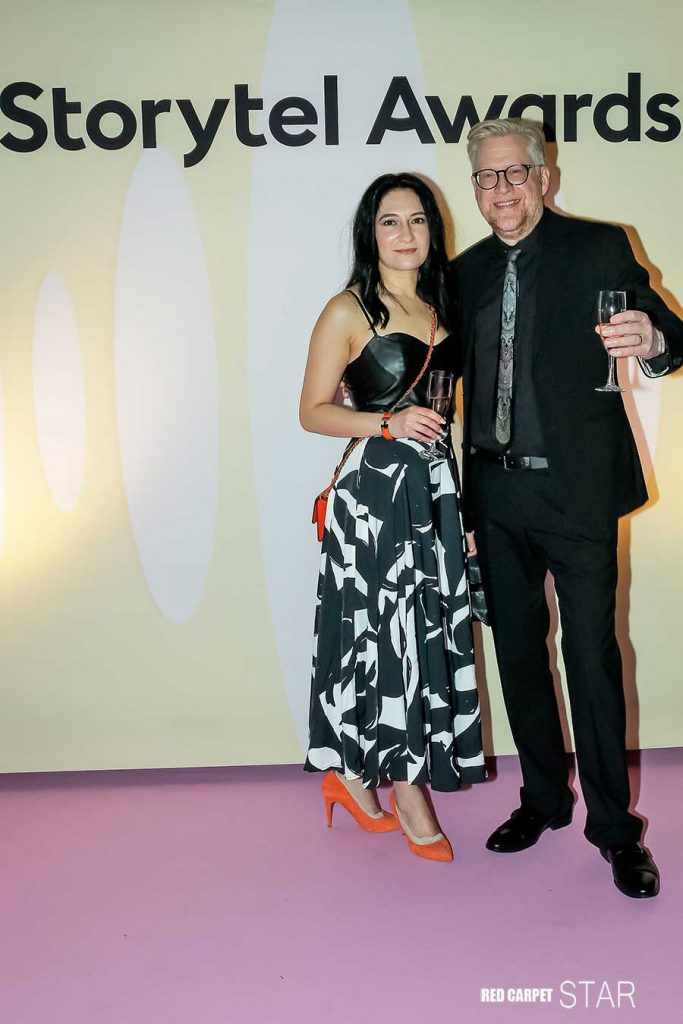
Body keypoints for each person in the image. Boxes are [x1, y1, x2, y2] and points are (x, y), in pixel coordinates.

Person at [451, 117, 683, 897]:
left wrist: (651, 338)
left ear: (543, 177)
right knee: (517, 654)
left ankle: (615, 832)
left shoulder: (599, 247)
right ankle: (543, 800)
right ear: (474, 187)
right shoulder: (462, 272)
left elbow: (670, 336)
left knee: (590, 656)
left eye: (515, 172)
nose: (501, 189)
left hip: (577, 491)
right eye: (486, 177)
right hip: (494, 492)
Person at [300, 172, 486, 861]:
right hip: (374, 496)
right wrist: (387, 422)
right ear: (369, 234)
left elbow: (452, 417)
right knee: (387, 639)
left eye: (417, 220)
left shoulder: (444, 306)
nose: (405, 234)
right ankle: (407, 792)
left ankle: (352, 778)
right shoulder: (347, 310)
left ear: (434, 230)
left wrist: (464, 509)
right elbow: (312, 411)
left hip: (433, 493)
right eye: (389, 221)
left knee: (422, 632)